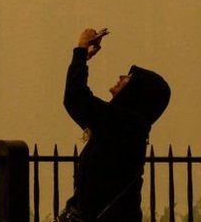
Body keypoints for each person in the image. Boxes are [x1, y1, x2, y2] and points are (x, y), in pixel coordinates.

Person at [60, 28, 171, 221]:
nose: (121, 77)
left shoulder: (123, 124)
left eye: (129, 79)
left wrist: (80, 50)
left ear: (137, 93)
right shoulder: (128, 127)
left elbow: (75, 98)